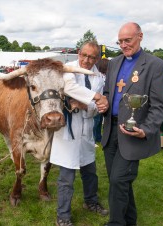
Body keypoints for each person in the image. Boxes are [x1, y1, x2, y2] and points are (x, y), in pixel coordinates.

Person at [98, 22, 163, 226]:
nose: (123, 45)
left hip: (133, 133)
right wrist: (104, 102)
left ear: (140, 36)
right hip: (111, 130)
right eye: (120, 42)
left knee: (119, 180)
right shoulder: (114, 63)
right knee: (119, 182)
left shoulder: (155, 65)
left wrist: (145, 130)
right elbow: (109, 92)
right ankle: (130, 221)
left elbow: (158, 106)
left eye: (127, 40)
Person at [50, 41, 108, 226]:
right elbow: (70, 89)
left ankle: (91, 202)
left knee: (90, 172)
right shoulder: (68, 69)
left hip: (87, 131)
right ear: (78, 53)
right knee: (66, 177)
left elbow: (96, 110)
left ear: (97, 58)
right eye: (84, 55)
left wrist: (84, 105)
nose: (87, 60)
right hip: (69, 130)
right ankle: (63, 216)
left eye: (92, 57)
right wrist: (96, 97)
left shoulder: (99, 75)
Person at [93, 58, 109, 145]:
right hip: (96, 101)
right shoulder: (98, 75)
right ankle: (94, 139)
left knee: (99, 121)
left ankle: (99, 137)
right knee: (95, 122)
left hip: (103, 101)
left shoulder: (105, 76)